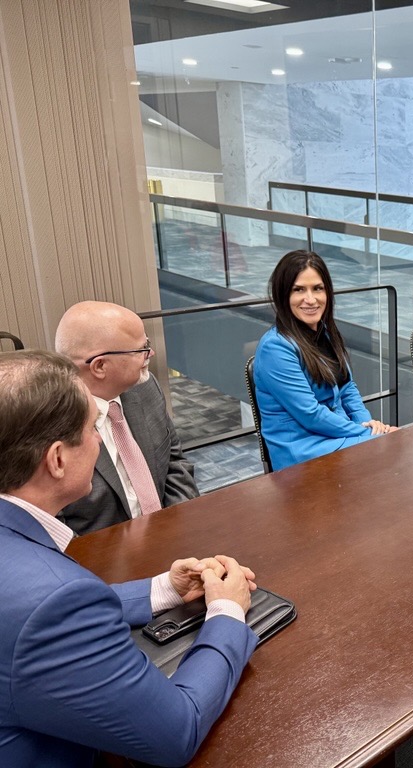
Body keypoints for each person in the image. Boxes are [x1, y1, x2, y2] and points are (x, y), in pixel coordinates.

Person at [0, 350, 258, 767]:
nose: (100, 440)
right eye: (91, 430)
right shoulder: (50, 601)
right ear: (57, 459)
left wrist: (163, 589)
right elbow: (175, 732)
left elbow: (35, 617)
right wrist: (227, 611)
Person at [54, 301, 199, 535]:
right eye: (140, 349)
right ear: (100, 366)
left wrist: (176, 528)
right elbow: (52, 529)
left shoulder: (145, 386)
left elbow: (175, 462)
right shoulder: (47, 426)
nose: (150, 354)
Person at [254, 250, 397, 470]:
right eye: (298, 290)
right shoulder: (275, 347)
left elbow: (347, 386)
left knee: (399, 444)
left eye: (317, 289)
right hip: (302, 451)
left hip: (335, 436)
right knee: (395, 447)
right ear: (283, 295)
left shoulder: (324, 333)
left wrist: (367, 423)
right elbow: (310, 414)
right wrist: (366, 433)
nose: (310, 299)